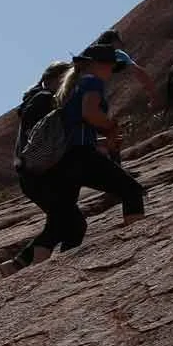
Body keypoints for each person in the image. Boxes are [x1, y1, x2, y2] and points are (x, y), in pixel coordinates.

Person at [55, 45, 146, 245]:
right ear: (96, 65)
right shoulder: (92, 81)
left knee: (71, 223)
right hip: (80, 154)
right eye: (110, 66)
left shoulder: (73, 85)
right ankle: (140, 245)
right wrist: (112, 126)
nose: (111, 71)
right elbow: (90, 113)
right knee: (131, 190)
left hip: (64, 159)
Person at [4, 60, 77, 273]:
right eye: (66, 80)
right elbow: (45, 139)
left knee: (63, 222)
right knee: (70, 223)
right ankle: (46, 272)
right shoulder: (44, 100)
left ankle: (19, 265)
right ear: (53, 80)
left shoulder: (36, 100)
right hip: (40, 173)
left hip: (32, 172)